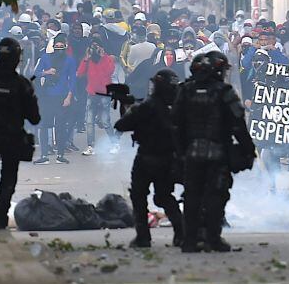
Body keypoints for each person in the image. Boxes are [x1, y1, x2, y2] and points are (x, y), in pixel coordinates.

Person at [174, 51, 255, 252]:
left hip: (191, 153)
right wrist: (248, 149)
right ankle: (213, 238)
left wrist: (179, 151)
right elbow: (238, 124)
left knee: (192, 195)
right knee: (216, 195)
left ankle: (190, 240)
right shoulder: (224, 91)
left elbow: (175, 123)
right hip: (218, 153)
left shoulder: (184, 90)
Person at [0, 38, 41, 228]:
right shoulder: (22, 85)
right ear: (17, 58)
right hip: (12, 136)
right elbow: (35, 118)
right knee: (8, 176)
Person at [115, 68, 185, 248]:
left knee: (139, 197)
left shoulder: (147, 106)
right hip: (168, 159)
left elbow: (122, 125)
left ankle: (143, 237)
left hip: (146, 158)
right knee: (164, 196)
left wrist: (127, 108)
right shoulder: (179, 107)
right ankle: (181, 233)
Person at [32, 32, 78, 164]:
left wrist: (69, 97)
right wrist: (46, 72)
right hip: (47, 96)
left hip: (62, 96)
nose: (59, 48)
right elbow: (35, 73)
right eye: (56, 46)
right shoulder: (45, 58)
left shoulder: (69, 60)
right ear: (53, 46)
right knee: (44, 126)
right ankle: (44, 155)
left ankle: (60, 154)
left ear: (65, 46)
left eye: (61, 46)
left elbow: (73, 80)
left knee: (61, 126)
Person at [77, 35, 117, 155]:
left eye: (97, 46)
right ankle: (90, 146)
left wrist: (103, 56)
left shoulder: (107, 58)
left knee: (105, 121)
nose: (95, 48)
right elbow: (79, 74)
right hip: (91, 92)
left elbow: (109, 71)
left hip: (104, 93)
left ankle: (114, 144)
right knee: (89, 121)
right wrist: (86, 58)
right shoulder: (88, 59)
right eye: (93, 46)